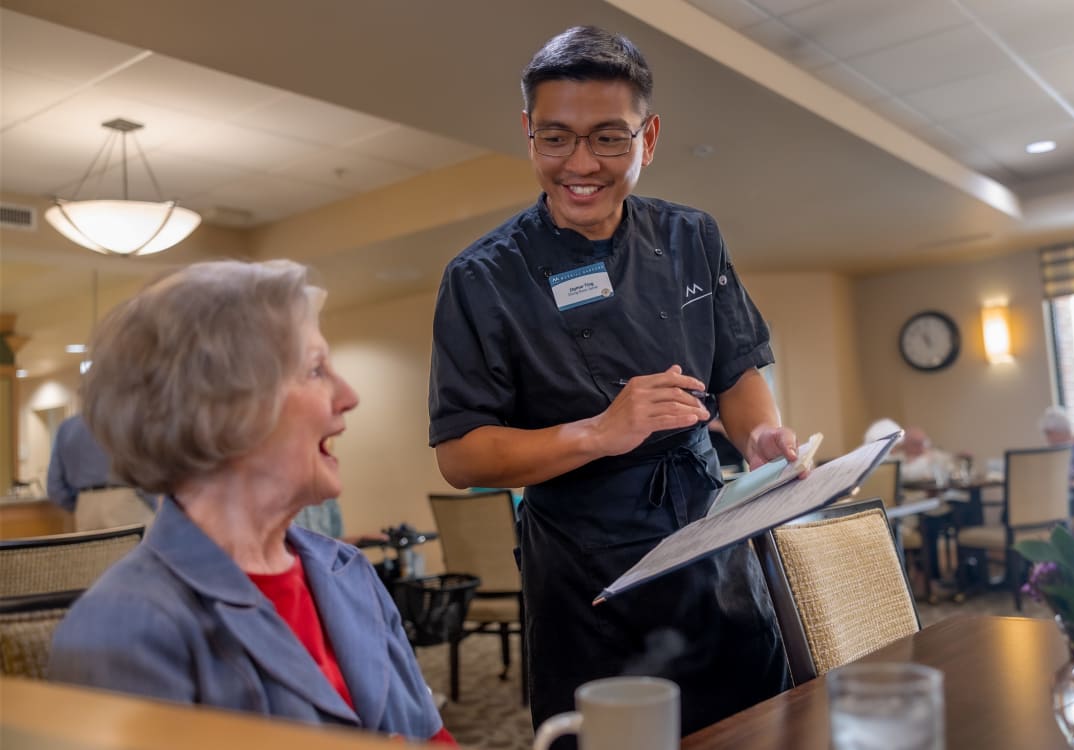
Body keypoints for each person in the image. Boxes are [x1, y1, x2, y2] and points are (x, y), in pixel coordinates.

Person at [428, 26, 793, 737]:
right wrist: (599, 432)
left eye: (609, 138)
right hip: (583, 570)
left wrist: (761, 436)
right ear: (529, 134)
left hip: (704, 531)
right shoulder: (481, 277)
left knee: (755, 719)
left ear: (648, 138)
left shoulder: (693, 237)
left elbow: (736, 372)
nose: (581, 164)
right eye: (556, 138)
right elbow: (462, 454)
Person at [49, 260, 454, 746]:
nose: (349, 396)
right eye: (316, 369)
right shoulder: (123, 629)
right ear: (223, 410)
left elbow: (431, 736)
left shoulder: (350, 572)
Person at [46, 413, 155, 531]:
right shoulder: (128, 418)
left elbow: (54, 486)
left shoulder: (67, 427)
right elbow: (146, 470)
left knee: (94, 549)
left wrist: (80, 505)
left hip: (85, 507)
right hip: (127, 503)